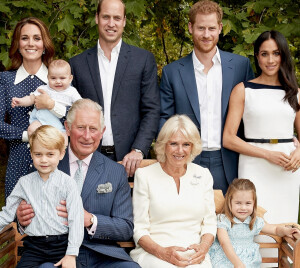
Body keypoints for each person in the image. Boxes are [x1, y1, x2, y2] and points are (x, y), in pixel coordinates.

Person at [17, 99, 140, 268]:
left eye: (93, 129)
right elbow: (27, 217)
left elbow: (125, 228)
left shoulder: (115, 172)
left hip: (101, 254)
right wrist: (22, 219)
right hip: (55, 254)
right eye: (81, 128)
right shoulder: (45, 163)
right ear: (67, 128)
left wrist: (90, 220)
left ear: (102, 131)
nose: (87, 136)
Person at [159, 0, 254, 194]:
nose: (206, 34)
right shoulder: (172, 72)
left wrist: (282, 139)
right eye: (201, 28)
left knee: (232, 222)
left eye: (211, 28)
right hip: (187, 160)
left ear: (220, 28)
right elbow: (164, 118)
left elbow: (253, 112)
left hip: (230, 160)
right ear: (190, 28)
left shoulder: (240, 66)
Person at [69, 0, 160, 177]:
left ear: (124, 21)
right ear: (97, 18)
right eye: (106, 17)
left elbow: (151, 109)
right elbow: (70, 112)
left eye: (117, 18)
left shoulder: (143, 60)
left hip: (130, 160)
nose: (111, 23)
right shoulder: (77, 64)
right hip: (87, 157)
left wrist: (139, 150)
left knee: (128, 207)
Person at [223, 30, 300, 224]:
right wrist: (267, 154)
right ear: (257, 57)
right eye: (264, 54)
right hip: (254, 165)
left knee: (285, 224)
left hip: (288, 168)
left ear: (283, 56)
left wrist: (299, 152)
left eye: (276, 53)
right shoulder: (243, 90)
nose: (270, 59)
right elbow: (229, 138)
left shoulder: (295, 92)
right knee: (253, 223)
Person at [130, 115, 216, 268]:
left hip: (193, 255)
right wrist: (162, 252)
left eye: (186, 144)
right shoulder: (144, 175)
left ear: (193, 146)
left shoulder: (203, 175)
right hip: (154, 253)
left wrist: (203, 249)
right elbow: (139, 228)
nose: (180, 150)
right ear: (163, 145)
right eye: (174, 144)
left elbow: (210, 224)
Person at [0, 17, 67, 198]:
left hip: (54, 164)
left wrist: (51, 105)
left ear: (44, 44)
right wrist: (26, 135)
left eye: (37, 38)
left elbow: (71, 119)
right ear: (17, 44)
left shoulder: (59, 79)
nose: (31, 43)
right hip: (18, 163)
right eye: (25, 38)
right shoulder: (5, 80)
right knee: (16, 221)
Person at [0, 125, 84, 268]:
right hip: (34, 247)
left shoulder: (68, 183)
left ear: (61, 154)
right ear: (31, 153)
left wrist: (71, 254)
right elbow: (7, 213)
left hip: (61, 246)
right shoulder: (24, 183)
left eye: (50, 154)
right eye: (38, 154)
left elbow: (76, 219)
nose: (44, 160)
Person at [209, 179, 299, 267]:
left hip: (249, 260)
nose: (243, 208)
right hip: (226, 257)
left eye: (248, 203)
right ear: (230, 203)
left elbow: (275, 229)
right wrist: (237, 263)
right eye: (238, 203)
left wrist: (286, 231)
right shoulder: (223, 220)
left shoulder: (254, 221)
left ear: (253, 204)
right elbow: (224, 242)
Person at [12, 59, 81, 143]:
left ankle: (57, 154)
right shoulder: (43, 89)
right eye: (53, 78)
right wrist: (21, 101)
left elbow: (80, 105)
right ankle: (37, 150)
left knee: (64, 141)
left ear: (70, 78)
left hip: (60, 125)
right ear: (48, 78)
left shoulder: (72, 92)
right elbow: (31, 98)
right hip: (40, 121)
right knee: (32, 129)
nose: (58, 81)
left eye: (62, 78)